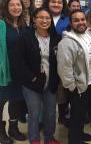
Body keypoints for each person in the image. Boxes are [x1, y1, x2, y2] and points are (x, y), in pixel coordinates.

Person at [13, 8, 61, 144]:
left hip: (51, 81)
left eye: (48, 18)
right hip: (32, 83)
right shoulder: (25, 37)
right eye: (41, 17)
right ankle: (34, 138)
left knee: (51, 113)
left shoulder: (56, 38)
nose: (45, 21)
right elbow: (18, 61)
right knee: (34, 113)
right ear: (34, 19)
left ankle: (49, 137)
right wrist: (31, 77)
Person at [57, 9, 91, 144]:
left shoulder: (87, 34)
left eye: (82, 19)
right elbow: (64, 67)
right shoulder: (67, 42)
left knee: (82, 113)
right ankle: (74, 140)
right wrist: (71, 86)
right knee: (76, 115)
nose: (80, 22)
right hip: (77, 86)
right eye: (76, 20)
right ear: (71, 22)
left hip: (89, 82)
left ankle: (79, 134)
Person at [0, 0, 27, 143]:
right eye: (12, 5)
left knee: (16, 101)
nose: (16, 7)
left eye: (19, 5)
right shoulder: (1, 24)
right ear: (6, 7)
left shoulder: (23, 25)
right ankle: (0, 131)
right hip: (3, 71)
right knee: (1, 101)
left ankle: (13, 128)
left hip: (19, 72)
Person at [43, 0, 70, 126]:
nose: (56, 4)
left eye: (59, 2)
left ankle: (62, 116)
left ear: (63, 4)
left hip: (62, 59)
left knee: (61, 90)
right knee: (44, 88)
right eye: (53, 1)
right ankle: (43, 119)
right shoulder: (42, 16)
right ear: (48, 3)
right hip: (43, 59)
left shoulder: (67, 19)